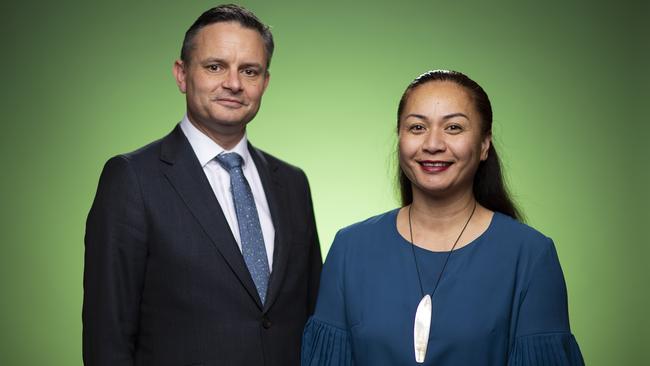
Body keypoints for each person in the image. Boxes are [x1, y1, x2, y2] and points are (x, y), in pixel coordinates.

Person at [83, 4, 322, 366]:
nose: (233, 83)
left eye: (249, 70)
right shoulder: (132, 179)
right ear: (181, 74)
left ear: (265, 82)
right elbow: (108, 338)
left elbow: (311, 319)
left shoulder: (292, 184)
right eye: (215, 66)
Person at [301, 70, 584, 365]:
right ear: (400, 138)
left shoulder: (530, 256)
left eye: (453, 128)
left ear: (485, 144)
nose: (433, 144)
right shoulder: (350, 249)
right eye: (417, 127)